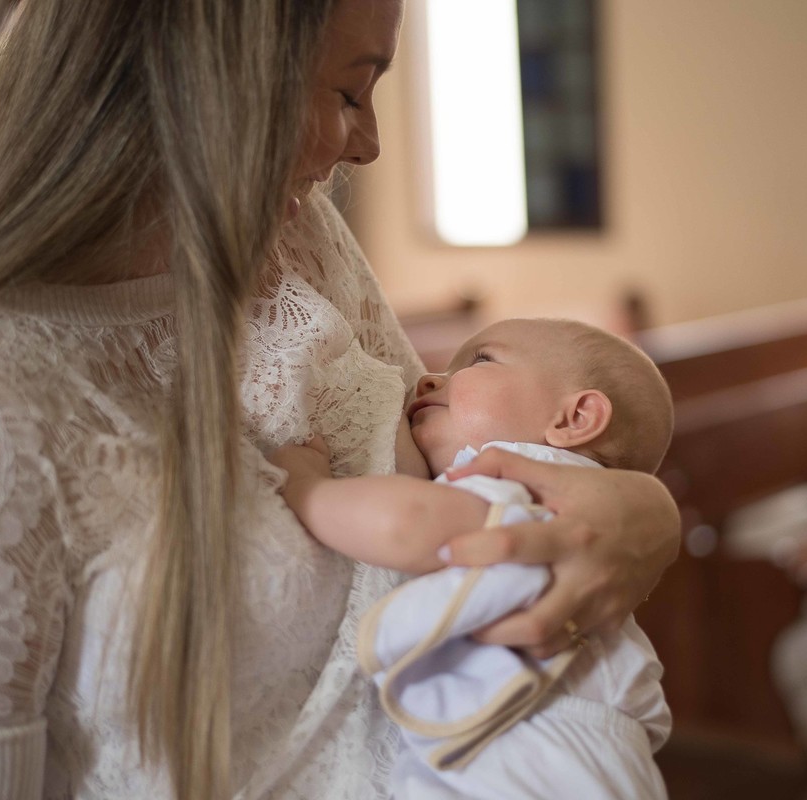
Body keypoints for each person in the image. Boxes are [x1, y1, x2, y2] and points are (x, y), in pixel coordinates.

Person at [0, 2, 680, 799]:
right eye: (349, 93)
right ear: (207, 80)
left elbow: (451, 473)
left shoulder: (300, 237)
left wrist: (646, 510)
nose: (370, 144)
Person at [270, 317, 674, 798]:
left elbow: (408, 526)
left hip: (543, 751)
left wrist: (307, 488)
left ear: (573, 419)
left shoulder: (536, 478)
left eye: (481, 360)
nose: (428, 378)